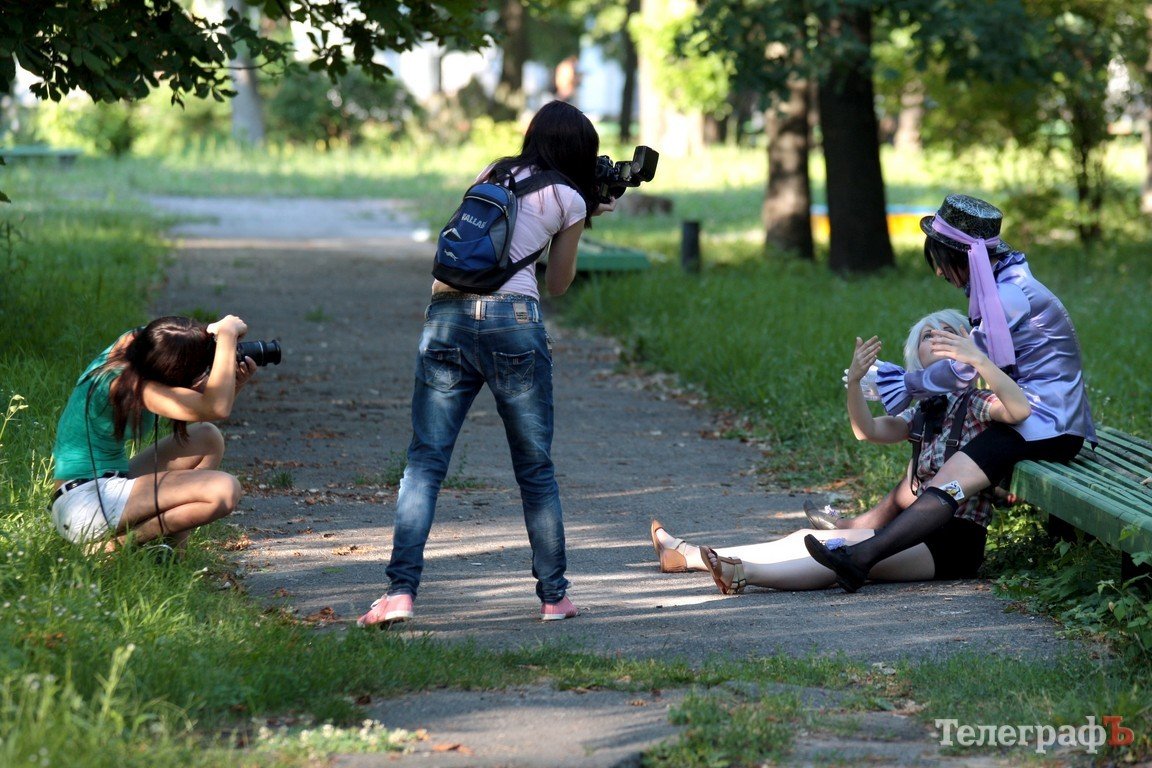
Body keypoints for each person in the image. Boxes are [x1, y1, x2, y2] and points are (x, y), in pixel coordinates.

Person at [357, 101, 617, 628]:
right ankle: (554, 597)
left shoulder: (493, 171)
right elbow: (558, 284)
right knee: (534, 468)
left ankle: (399, 593)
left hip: (447, 315)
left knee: (425, 461)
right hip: (512, 323)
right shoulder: (568, 198)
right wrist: (581, 219)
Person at [805, 193, 1097, 592]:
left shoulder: (1009, 296)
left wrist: (907, 383)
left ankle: (860, 556)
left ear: (963, 256)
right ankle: (859, 556)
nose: (940, 273)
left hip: (1047, 424)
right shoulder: (1005, 285)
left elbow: (964, 369)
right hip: (1036, 418)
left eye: (941, 261)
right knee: (948, 480)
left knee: (950, 479)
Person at [649, 308, 1033, 592]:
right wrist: (854, 385)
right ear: (917, 358)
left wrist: (980, 359)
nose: (938, 337)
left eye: (948, 331)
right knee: (805, 537)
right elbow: (867, 431)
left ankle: (743, 573)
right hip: (909, 532)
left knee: (835, 552)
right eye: (927, 335)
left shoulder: (977, 403)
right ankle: (691, 555)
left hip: (953, 542)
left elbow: (1018, 409)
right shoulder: (925, 411)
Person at [50, 315, 255, 555]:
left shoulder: (137, 346)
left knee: (207, 438)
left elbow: (201, 402)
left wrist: (208, 334)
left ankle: (172, 553)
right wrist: (227, 337)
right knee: (224, 490)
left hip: (107, 484)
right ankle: (112, 548)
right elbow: (215, 407)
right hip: (84, 505)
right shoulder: (128, 385)